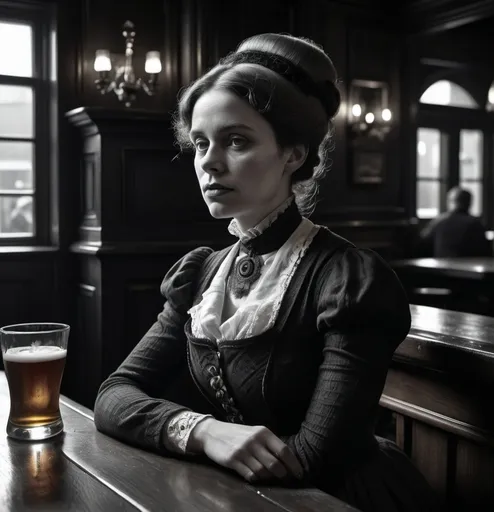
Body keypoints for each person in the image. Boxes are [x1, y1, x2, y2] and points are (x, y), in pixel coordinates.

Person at [94, 33, 438, 511]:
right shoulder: (201, 275)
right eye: (199, 143)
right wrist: (204, 431)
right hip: (237, 494)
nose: (209, 162)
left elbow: (313, 457)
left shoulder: (347, 278)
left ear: (293, 154)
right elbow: (113, 395)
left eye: (236, 140)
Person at [417, 187, 490, 257]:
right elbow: (484, 250)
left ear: (450, 202)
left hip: (440, 267)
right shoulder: (475, 224)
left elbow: (422, 245)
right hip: (467, 267)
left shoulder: (439, 221)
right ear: (469, 203)